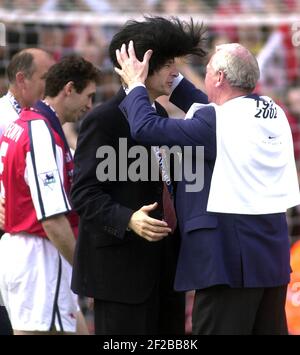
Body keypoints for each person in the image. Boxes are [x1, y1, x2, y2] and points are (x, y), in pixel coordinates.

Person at [115, 41, 300, 335]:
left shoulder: (216, 122)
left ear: (220, 78)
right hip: (270, 262)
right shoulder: (270, 110)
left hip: (230, 265)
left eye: (210, 68)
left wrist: (136, 85)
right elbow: (210, 106)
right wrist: (172, 80)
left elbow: (145, 128)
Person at [70, 16, 207, 335]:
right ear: (144, 66)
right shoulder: (103, 120)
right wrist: (127, 218)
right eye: (169, 63)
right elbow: (84, 194)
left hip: (165, 272)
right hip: (121, 277)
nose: (176, 71)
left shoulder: (157, 115)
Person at [0, 55, 101, 335]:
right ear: (69, 89)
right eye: (89, 96)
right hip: (40, 258)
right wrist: (88, 276)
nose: (90, 106)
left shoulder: (25, 123)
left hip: (25, 254)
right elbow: (53, 219)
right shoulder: (41, 133)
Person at [0, 48, 55, 335]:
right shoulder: (2, 117)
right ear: (22, 80)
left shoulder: (42, 118)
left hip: (29, 237)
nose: (52, 84)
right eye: (47, 77)